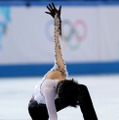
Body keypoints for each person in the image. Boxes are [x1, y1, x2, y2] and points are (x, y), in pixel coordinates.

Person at [28, 3, 98, 120]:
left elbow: (57, 41)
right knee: (42, 113)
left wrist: (57, 20)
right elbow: (53, 116)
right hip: (38, 110)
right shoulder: (48, 90)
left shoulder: (60, 67)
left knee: (82, 89)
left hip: (55, 96)